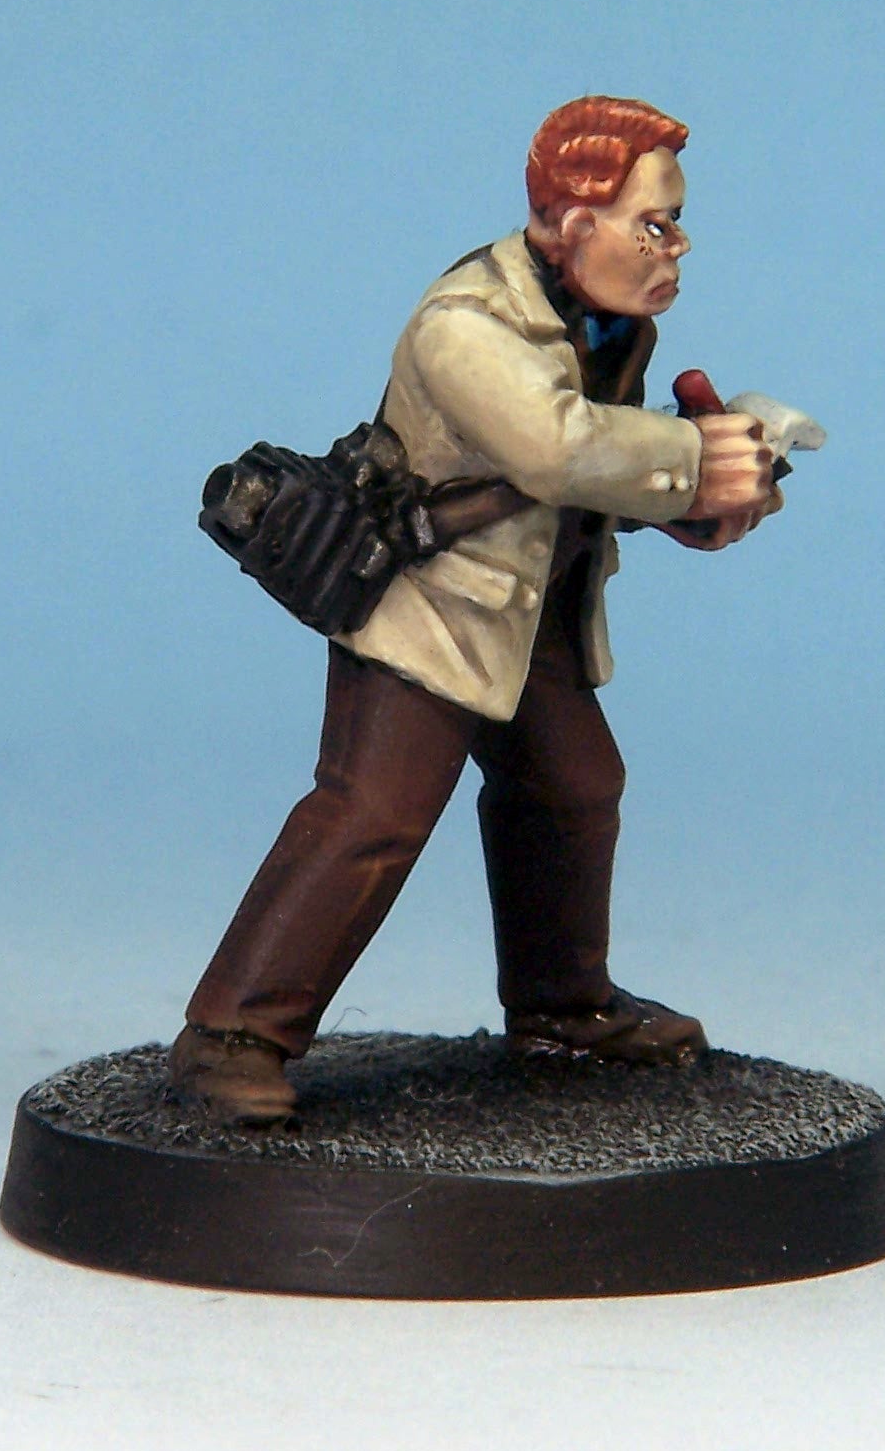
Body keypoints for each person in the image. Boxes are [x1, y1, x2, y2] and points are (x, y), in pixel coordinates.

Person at [170, 95, 780, 1124]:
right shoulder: (466, 325)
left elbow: (591, 479)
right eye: (655, 224)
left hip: (530, 611)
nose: (677, 247)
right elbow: (555, 449)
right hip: (428, 610)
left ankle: (562, 1010)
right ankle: (231, 1034)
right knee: (374, 814)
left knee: (574, 787)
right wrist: (692, 460)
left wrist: (693, 509)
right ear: (573, 225)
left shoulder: (608, 324)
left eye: (676, 221)